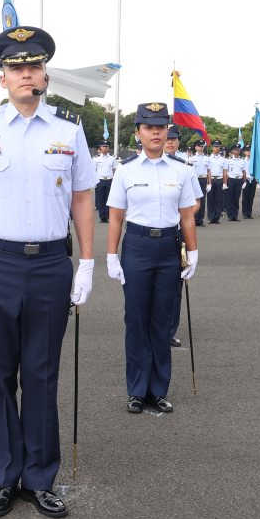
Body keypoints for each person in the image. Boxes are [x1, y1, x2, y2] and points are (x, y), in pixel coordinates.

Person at [0, 25, 96, 519]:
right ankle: (5, 476)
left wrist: (87, 262)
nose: (26, 74)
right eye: (16, 68)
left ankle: (40, 478)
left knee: (42, 375)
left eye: (34, 66)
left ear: (46, 75)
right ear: (3, 79)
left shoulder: (68, 130)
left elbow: (82, 198)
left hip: (50, 264)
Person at [105, 102, 199, 415]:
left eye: (160, 127)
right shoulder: (125, 170)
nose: (155, 133)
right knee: (135, 319)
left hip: (169, 248)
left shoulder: (181, 170)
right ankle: (136, 390)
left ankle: (158, 390)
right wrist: (111, 255)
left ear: (167, 131)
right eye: (148, 127)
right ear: (138, 133)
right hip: (137, 247)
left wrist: (193, 252)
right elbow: (115, 217)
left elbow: (187, 216)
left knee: (161, 321)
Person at [163, 124, 202, 349]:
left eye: (173, 138)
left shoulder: (186, 168)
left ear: (178, 142)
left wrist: (179, 217)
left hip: (177, 231)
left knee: (175, 283)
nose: (169, 142)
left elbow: (196, 203)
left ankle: (169, 330)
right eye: (167, 137)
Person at [92, 141, 116, 222]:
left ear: (108, 147)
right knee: (100, 199)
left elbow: (114, 170)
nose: (105, 148)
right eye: (103, 146)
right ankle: (102, 216)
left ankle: (107, 216)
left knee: (108, 199)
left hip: (109, 179)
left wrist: (115, 181)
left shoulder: (112, 158)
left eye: (106, 146)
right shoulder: (96, 158)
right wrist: (94, 181)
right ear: (101, 147)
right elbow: (94, 170)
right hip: (100, 180)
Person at [189, 142, 209, 226]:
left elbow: (209, 171)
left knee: (202, 199)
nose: (201, 147)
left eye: (202, 146)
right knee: (194, 199)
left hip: (203, 178)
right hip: (195, 179)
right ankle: (194, 219)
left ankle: (200, 219)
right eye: (199, 146)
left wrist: (209, 183)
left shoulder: (207, 158)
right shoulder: (192, 158)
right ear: (196, 148)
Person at [206, 142, 225, 223]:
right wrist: (208, 182)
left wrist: (225, 182)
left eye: (218, 147)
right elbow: (207, 171)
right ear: (212, 148)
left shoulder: (223, 159)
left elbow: (224, 171)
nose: (217, 148)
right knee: (210, 200)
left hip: (220, 179)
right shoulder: (208, 158)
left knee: (219, 199)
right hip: (211, 179)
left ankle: (216, 217)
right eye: (215, 147)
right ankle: (211, 217)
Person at [224, 144, 244, 221]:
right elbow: (225, 171)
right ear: (233, 151)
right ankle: (229, 215)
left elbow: (244, 171)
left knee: (236, 198)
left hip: (239, 179)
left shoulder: (242, 160)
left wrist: (244, 181)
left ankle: (235, 215)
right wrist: (225, 182)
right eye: (236, 150)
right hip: (231, 179)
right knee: (230, 198)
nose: (237, 151)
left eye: (238, 150)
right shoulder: (228, 160)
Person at [241, 146, 257, 218]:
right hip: (246, 180)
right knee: (245, 197)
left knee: (251, 197)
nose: (248, 152)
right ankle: (244, 213)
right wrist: (246, 176)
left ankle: (249, 213)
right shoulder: (242, 161)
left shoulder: (254, 161)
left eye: (250, 151)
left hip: (253, 179)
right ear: (244, 152)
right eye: (247, 151)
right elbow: (241, 170)